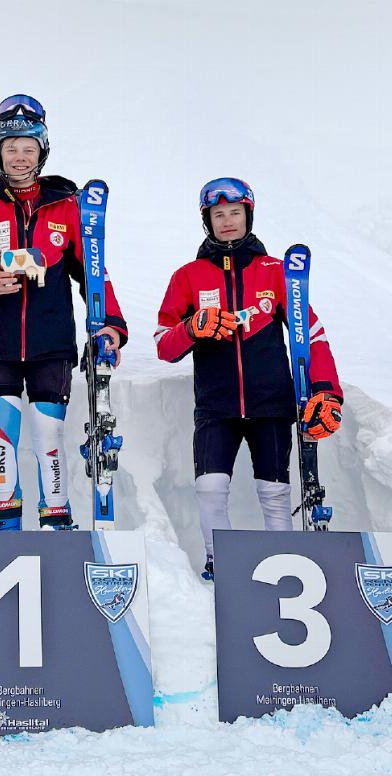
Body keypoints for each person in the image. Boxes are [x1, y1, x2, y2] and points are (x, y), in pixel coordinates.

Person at [0, 95, 127, 530]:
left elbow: (94, 274)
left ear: (42, 151)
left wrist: (112, 326)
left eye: (28, 147)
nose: (20, 156)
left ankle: (56, 520)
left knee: (49, 436)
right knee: (3, 437)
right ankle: (5, 521)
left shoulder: (68, 210)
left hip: (51, 343)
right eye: (11, 147)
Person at [155, 177, 342, 578]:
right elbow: (164, 345)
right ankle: (217, 565)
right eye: (218, 214)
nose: (227, 221)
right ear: (207, 220)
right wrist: (193, 327)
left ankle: (285, 564)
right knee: (209, 487)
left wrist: (326, 391)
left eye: (234, 213)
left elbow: (312, 335)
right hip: (216, 405)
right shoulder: (188, 276)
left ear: (248, 216)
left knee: (275, 493)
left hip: (270, 403)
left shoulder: (275, 272)